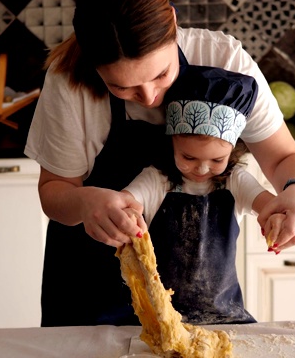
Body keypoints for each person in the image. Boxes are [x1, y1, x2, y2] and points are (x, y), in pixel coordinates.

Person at [24, 0, 295, 327]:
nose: (150, 97)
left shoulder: (224, 59)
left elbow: (283, 158)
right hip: (90, 292)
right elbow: (54, 191)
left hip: (200, 298)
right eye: (122, 86)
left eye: (161, 74)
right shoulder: (68, 81)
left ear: (173, 25)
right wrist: (84, 201)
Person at [121, 64, 286, 325]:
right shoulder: (156, 180)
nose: (202, 168)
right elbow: (126, 203)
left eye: (217, 159)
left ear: (232, 151)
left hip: (227, 316)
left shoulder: (235, 181)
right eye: (188, 157)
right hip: (162, 317)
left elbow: (269, 205)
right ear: (172, 142)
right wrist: (127, 215)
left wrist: (277, 216)